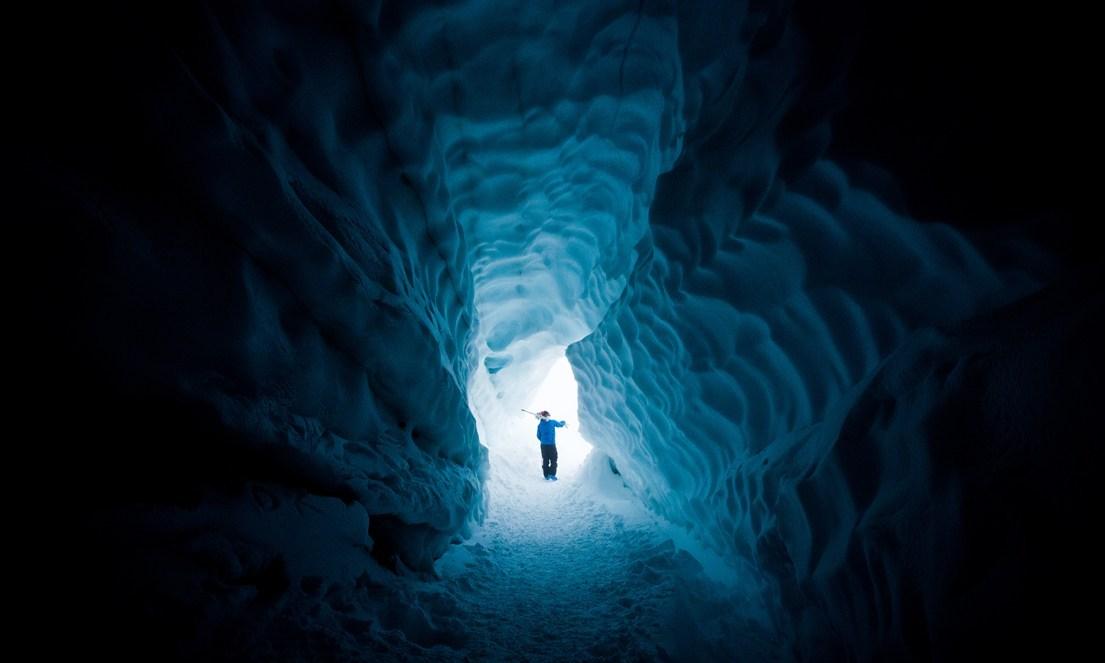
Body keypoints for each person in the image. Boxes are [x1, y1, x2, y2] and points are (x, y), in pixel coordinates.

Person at [533, 410, 566, 481]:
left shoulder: (540, 425)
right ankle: (551, 474)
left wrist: (543, 440)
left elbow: (538, 436)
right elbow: (560, 425)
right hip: (551, 445)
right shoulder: (552, 422)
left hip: (544, 446)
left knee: (546, 459)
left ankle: (547, 475)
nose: (548, 416)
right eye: (547, 415)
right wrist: (563, 422)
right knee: (553, 459)